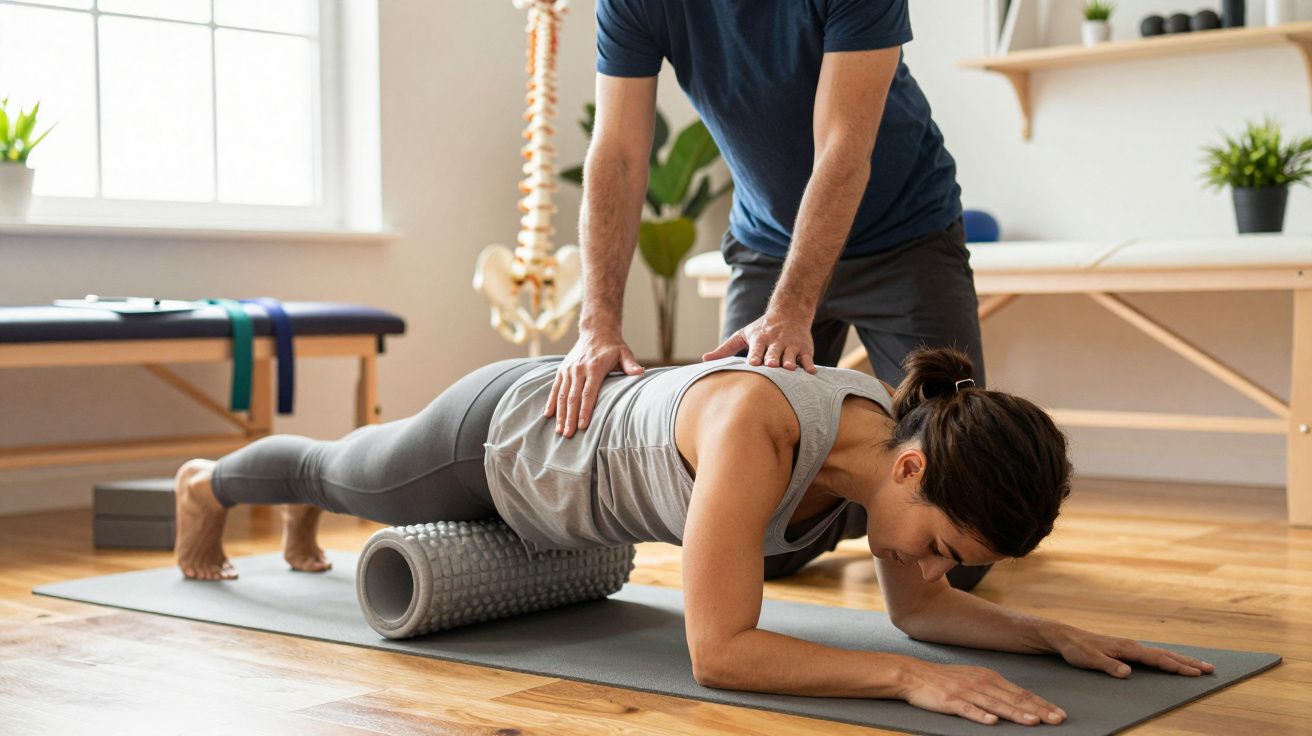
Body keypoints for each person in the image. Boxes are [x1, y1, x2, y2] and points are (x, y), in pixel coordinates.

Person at [174, 347, 1213, 727]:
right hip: (500, 438)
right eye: (942, 538)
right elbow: (719, 654)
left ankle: (306, 502)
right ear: (910, 466)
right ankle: (202, 484)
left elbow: (923, 610)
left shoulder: (881, 460)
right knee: (344, 471)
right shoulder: (759, 429)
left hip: (552, 485)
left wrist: (1053, 636)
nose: (934, 564)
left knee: (343, 481)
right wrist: (902, 682)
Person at [547, 0, 986, 586]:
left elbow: (842, 147)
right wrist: (597, 323)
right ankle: (867, 500)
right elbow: (619, 155)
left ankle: (884, 498)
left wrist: (791, 310)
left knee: (960, 557)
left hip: (906, 237)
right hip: (767, 242)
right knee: (754, 547)